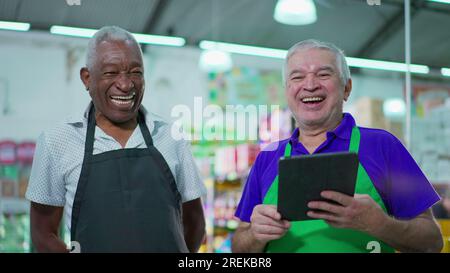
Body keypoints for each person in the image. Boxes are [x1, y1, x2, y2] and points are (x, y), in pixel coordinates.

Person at [232, 39, 443, 253]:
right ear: (287, 91)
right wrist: (255, 235)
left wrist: (380, 225)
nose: (310, 84)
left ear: (346, 88)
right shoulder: (267, 157)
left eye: (324, 74)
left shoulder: (383, 146)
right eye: (297, 77)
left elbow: (432, 242)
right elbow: (239, 247)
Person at [26, 26, 206, 253]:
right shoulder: (57, 141)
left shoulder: (171, 137)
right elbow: (42, 232)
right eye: (111, 73)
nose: (125, 84)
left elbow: (195, 222)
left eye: (135, 72)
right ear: (87, 78)